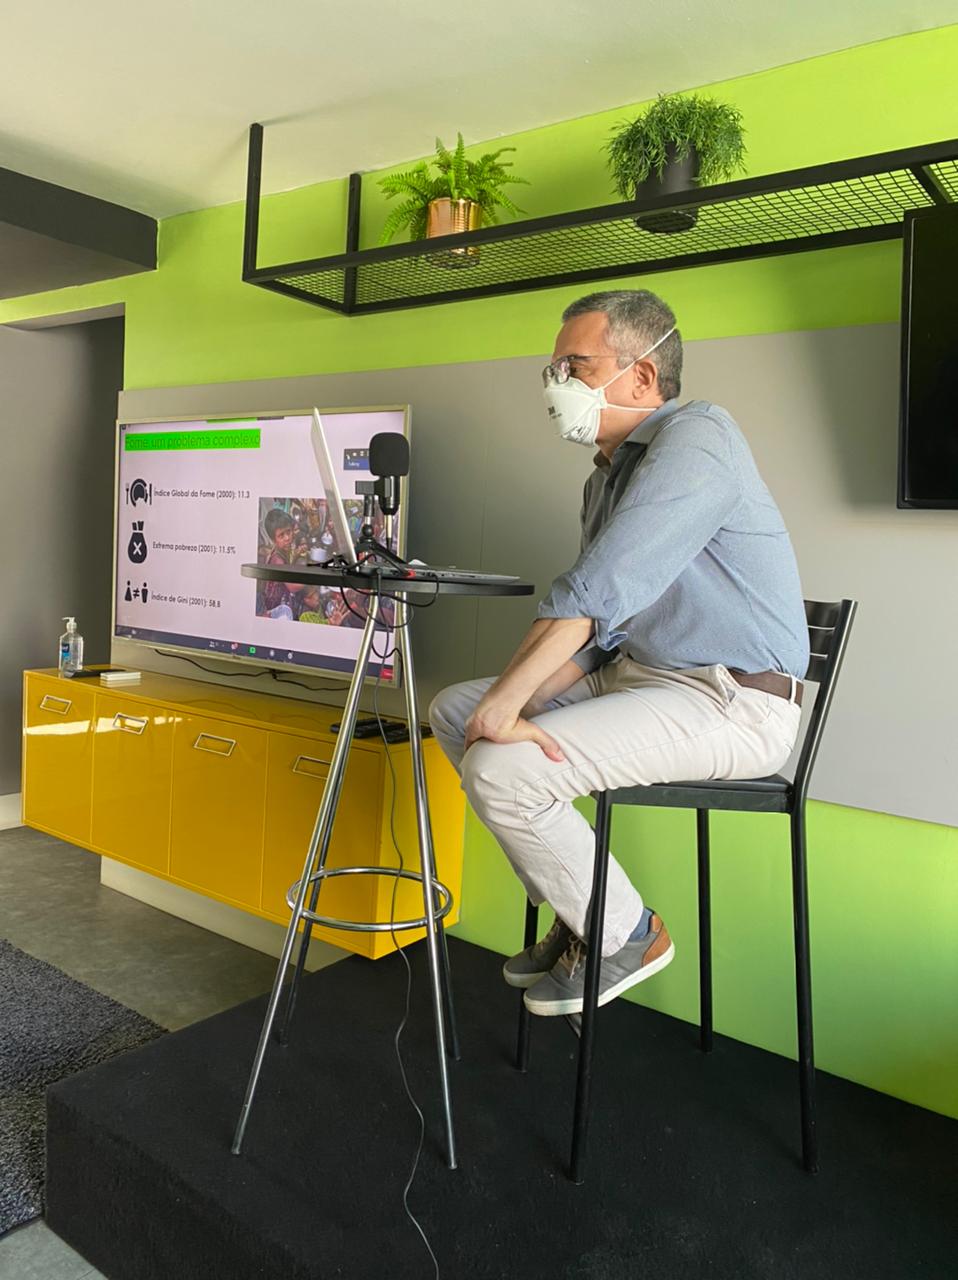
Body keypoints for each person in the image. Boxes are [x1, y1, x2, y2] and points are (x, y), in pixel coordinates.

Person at [428, 289, 809, 1018]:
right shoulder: (605, 475)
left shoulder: (699, 438)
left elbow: (598, 588)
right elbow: (605, 626)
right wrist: (519, 698)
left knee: (502, 766)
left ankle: (628, 933)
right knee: (455, 711)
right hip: (639, 676)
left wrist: (511, 705)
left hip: (733, 699)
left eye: (575, 365)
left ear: (642, 376)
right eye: (554, 369)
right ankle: (585, 910)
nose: (557, 383)